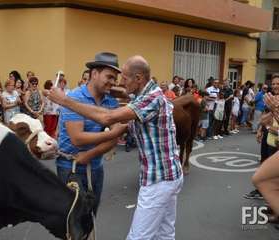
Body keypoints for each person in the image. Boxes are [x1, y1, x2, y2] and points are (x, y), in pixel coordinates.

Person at [45, 55, 183, 240]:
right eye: (111, 77)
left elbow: (107, 118)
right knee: (164, 234)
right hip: (167, 176)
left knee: (137, 237)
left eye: (123, 78)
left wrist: (64, 100)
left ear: (139, 78)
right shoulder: (143, 94)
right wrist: (108, 92)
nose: (119, 83)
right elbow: (84, 135)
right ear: (94, 74)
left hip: (158, 179)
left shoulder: (150, 99)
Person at [55, 52, 127, 216]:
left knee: (91, 216)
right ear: (94, 74)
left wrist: (91, 153)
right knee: (72, 220)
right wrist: (113, 133)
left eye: (114, 78)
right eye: (109, 77)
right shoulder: (74, 97)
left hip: (96, 167)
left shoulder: (111, 102)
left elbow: (115, 139)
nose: (112, 82)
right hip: (70, 167)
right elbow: (77, 139)